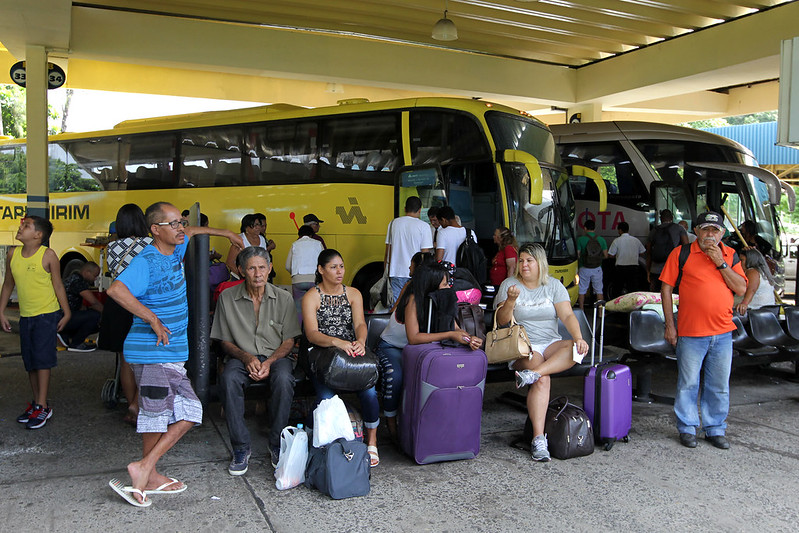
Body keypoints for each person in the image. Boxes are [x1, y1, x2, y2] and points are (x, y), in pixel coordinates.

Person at [106, 202, 243, 507]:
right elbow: (117, 290)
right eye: (174, 224)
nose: (182, 228)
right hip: (153, 351)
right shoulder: (148, 260)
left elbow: (194, 231)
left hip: (170, 351)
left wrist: (225, 233)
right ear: (156, 230)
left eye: (181, 222)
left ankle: (147, 470)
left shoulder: (176, 249)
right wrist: (152, 318)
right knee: (162, 417)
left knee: (182, 413)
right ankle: (145, 471)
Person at [660, 211, 747, 451]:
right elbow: (666, 289)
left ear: (722, 234)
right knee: (688, 383)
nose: (710, 235)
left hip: (722, 333)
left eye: (715, 230)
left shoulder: (730, 255)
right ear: (696, 231)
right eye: (706, 229)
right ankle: (687, 428)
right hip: (690, 332)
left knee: (718, 384)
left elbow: (740, 288)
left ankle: (715, 429)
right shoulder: (682, 253)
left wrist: (720, 262)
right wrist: (670, 325)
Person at [212, 246, 301, 475]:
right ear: (241, 270)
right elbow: (224, 341)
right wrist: (247, 357)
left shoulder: (283, 297)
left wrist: (269, 362)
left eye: (262, 267)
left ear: (270, 268)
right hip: (242, 356)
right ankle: (241, 447)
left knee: (284, 379)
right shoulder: (227, 297)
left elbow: (289, 340)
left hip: (276, 356)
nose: (258, 273)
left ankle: (277, 443)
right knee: (229, 379)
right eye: (251, 268)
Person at [494, 243, 588, 462]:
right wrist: (510, 301)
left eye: (529, 260)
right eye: (521, 260)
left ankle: (533, 374)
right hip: (523, 345)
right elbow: (501, 321)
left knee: (575, 349)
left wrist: (578, 338)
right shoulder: (509, 284)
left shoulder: (553, 285)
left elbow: (567, 316)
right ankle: (538, 439)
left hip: (551, 343)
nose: (524, 265)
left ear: (540, 263)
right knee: (543, 381)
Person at [301, 249, 380, 467]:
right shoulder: (312, 296)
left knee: (370, 391)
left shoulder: (353, 293)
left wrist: (360, 342)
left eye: (341, 266)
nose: (339, 271)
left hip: (350, 352)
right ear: (321, 270)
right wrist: (338, 342)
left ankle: (372, 442)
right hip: (321, 354)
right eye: (333, 267)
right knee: (326, 400)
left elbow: (359, 324)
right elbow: (312, 334)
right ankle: (311, 436)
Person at [0, 216, 71, 430]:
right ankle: (37, 404)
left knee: (43, 361)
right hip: (27, 316)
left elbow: (58, 286)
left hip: (46, 316)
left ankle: (42, 406)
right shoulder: (12, 253)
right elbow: (7, 285)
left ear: (38, 235)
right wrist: (1, 311)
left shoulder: (48, 255)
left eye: (26, 226)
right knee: (30, 361)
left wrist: (66, 313)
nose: (20, 228)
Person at [100, 204, 153, 425]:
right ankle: (141, 405)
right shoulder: (151, 244)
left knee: (126, 358)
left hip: (118, 304)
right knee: (147, 359)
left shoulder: (111, 247)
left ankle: (131, 403)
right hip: (142, 304)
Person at [385, 196, 434, 302]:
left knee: (395, 307)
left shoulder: (393, 223)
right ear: (420, 210)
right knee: (414, 305)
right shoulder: (424, 226)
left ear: (404, 208)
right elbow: (424, 255)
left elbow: (387, 251)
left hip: (396, 272)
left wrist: (387, 272)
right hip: (416, 273)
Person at [60, 261, 103, 352]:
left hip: (61, 316)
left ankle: (65, 335)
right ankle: (76, 343)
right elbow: (94, 302)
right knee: (95, 316)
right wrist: (108, 314)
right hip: (63, 318)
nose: (95, 279)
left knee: (89, 314)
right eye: (95, 275)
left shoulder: (72, 278)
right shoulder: (78, 282)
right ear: (87, 273)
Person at [285, 225, 325, 322]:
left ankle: (298, 333)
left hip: (298, 280)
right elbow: (324, 262)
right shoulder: (318, 243)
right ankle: (314, 331)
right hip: (314, 280)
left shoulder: (295, 244)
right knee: (316, 307)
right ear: (311, 234)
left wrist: (295, 274)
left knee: (298, 309)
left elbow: (287, 266)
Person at [647, 209, 688, 291]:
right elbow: (686, 249)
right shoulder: (679, 229)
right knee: (673, 296)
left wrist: (648, 272)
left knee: (656, 296)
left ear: (661, 218)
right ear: (672, 218)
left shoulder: (654, 230)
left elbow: (649, 252)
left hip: (655, 270)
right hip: (673, 270)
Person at [576, 219, 608, 311]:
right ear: (594, 228)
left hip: (584, 268)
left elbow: (578, 254)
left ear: (585, 228)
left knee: (582, 290)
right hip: (597, 268)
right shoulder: (601, 239)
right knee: (599, 290)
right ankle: (600, 312)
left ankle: (581, 310)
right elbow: (606, 256)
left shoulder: (580, 239)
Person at [607, 221, 645, 298]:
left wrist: (618, 255)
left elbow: (610, 255)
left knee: (617, 289)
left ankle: (617, 307)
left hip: (620, 268)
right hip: (633, 268)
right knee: (633, 290)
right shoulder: (635, 240)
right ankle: (633, 307)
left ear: (620, 230)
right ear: (628, 230)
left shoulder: (617, 241)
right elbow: (642, 252)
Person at [735, 248, 776, 315]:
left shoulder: (752, 271)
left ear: (750, 260)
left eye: (741, 260)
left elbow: (752, 289)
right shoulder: (763, 272)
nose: (739, 263)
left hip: (756, 311)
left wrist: (744, 303)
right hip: (768, 311)